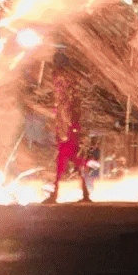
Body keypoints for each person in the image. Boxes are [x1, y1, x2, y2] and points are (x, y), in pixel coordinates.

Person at [45, 54, 91, 203]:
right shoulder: (67, 89)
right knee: (73, 164)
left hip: (68, 135)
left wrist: (69, 130)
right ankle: (84, 194)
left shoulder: (66, 89)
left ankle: (56, 195)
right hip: (67, 134)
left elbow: (69, 111)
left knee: (63, 166)